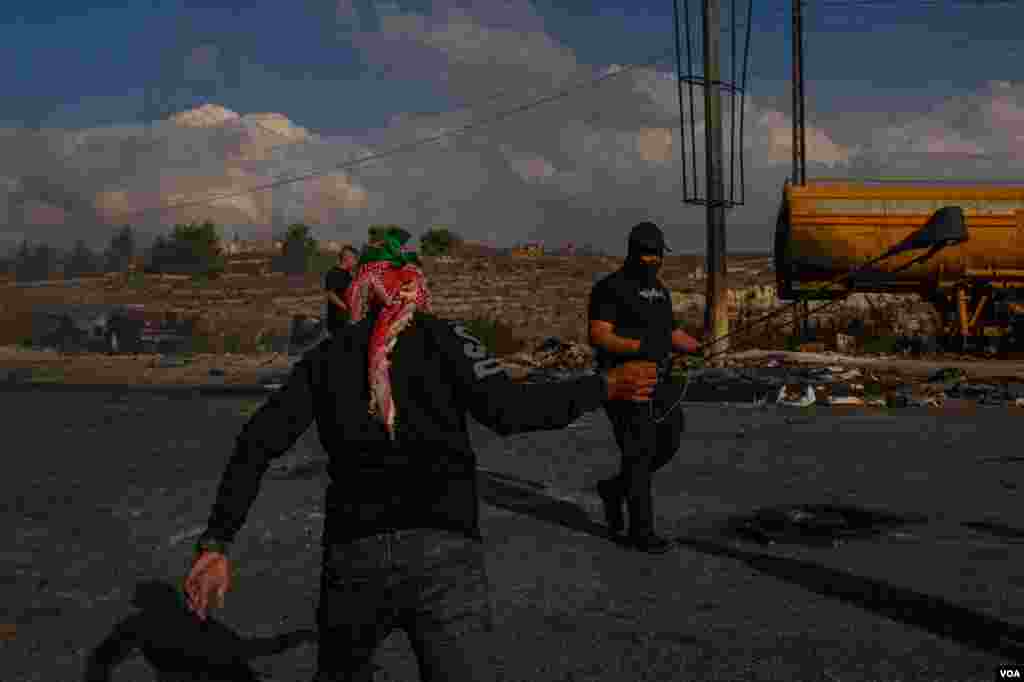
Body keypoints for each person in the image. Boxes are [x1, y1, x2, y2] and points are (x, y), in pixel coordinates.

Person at [183, 226, 660, 682]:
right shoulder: (447, 338)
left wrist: (217, 543)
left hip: (354, 556)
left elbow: (257, 442)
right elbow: (511, 410)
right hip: (444, 549)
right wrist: (604, 385)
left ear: (364, 289)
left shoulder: (327, 356)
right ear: (414, 284)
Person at [588, 221, 701, 554]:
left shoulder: (660, 291)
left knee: (669, 438)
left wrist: (698, 346)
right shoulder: (610, 288)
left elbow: (672, 334)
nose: (654, 261)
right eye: (649, 255)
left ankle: (615, 488)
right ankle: (641, 531)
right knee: (638, 452)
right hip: (623, 381)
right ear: (635, 252)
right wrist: (640, 347)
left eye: (658, 255)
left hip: (660, 380)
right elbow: (599, 335)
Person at [323, 245, 358, 336]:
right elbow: (330, 294)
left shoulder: (349, 275)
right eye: (354, 259)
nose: (355, 262)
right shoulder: (334, 273)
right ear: (348, 258)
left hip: (346, 319)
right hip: (337, 319)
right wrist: (346, 308)